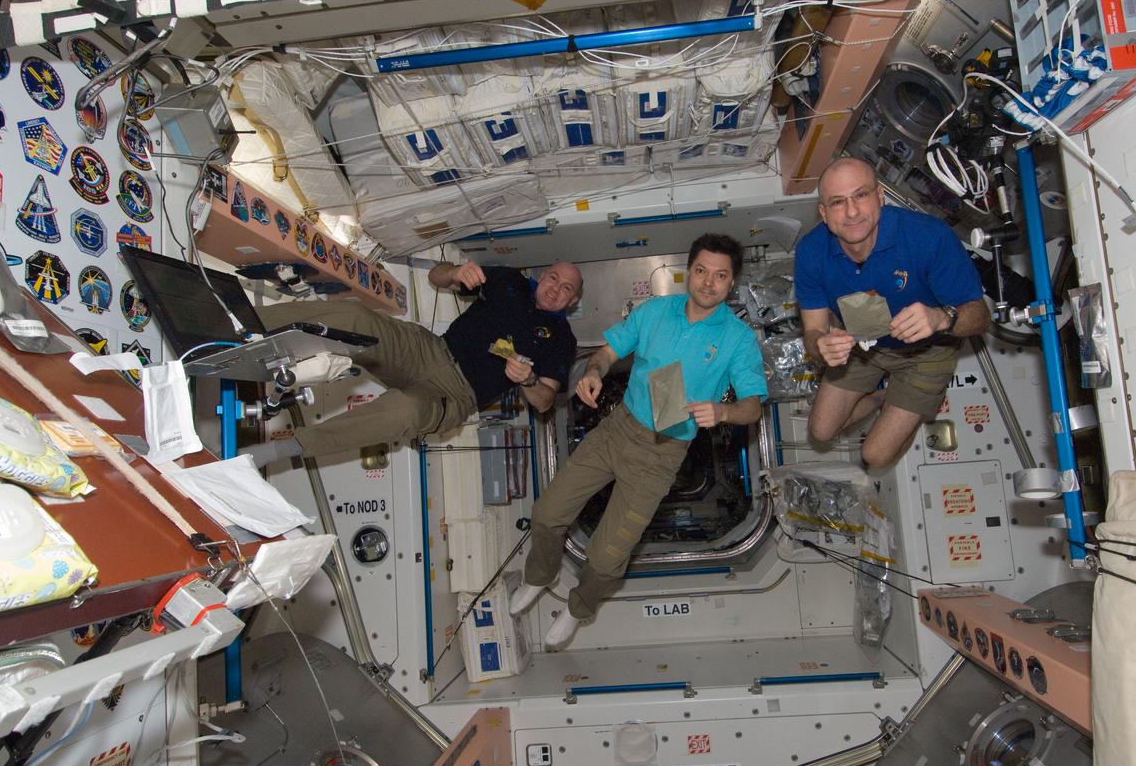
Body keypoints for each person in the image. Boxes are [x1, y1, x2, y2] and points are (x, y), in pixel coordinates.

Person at [509, 233, 768, 649]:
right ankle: (539, 577)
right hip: (618, 430)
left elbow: (753, 406)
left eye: (720, 276)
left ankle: (578, 608)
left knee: (607, 560)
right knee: (546, 514)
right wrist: (593, 371)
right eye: (701, 271)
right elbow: (607, 353)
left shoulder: (737, 339)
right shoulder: (655, 313)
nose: (708, 282)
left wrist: (722, 412)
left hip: (662, 455)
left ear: (731, 283)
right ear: (690, 271)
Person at [243, 260, 582, 465]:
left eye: (566, 288)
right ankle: (242, 323)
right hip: (426, 349)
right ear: (544, 275)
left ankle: (285, 448)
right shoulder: (511, 282)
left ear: (573, 301)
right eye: (553, 278)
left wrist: (529, 380)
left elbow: (544, 402)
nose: (556, 289)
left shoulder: (562, 339)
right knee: (355, 316)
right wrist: (456, 272)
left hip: (454, 395)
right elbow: (437, 277)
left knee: (404, 411)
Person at [795, 156, 988, 469]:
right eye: (838, 202)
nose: (852, 211)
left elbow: (980, 317)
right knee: (820, 432)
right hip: (865, 339)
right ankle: (881, 398)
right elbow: (813, 332)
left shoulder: (928, 237)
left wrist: (941, 318)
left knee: (875, 457)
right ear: (823, 213)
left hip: (929, 352)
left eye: (861, 195)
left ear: (880, 196)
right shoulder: (811, 253)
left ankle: (899, 401)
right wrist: (821, 346)